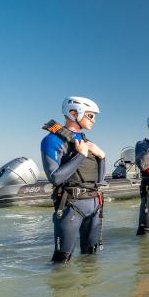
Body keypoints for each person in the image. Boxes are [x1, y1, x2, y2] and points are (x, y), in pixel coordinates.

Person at [40, 96, 106, 263]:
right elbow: (55, 178)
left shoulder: (87, 142)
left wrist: (102, 157)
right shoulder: (52, 140)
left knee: (91, 257)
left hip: (94, 206)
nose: (94, 120)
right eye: (91, 116)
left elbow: (100, 181)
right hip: (71, 206)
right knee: (61, 261)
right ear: (73, 113)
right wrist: (81, 155)